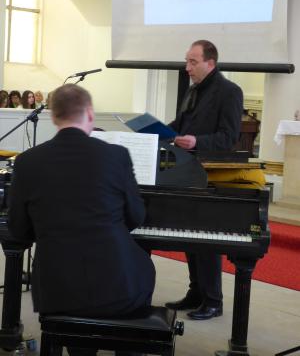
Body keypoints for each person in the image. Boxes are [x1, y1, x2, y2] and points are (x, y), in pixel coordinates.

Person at [8, 84, 155, 356]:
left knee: (78, 312)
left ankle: (80, 348)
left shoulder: (27, 162)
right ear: (89, 113)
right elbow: (136, 217)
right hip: (116, 287)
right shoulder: (116, 156)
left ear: (53, 117)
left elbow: (18, 231)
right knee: (143, 269)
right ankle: (127, 346)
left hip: (57, 290)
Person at [165, 40, 243, 320]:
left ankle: (213, 300)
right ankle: (196, 292)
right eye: (187, 61)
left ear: (211, 63)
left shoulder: (229, 92)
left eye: (193, 62)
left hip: (211, 175)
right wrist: (157, 130)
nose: (187, 68)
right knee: (189, 235)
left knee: (204, 238)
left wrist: (197, 141)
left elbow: (229, 137)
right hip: (186, 172)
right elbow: (180, 126)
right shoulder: (194, 89)